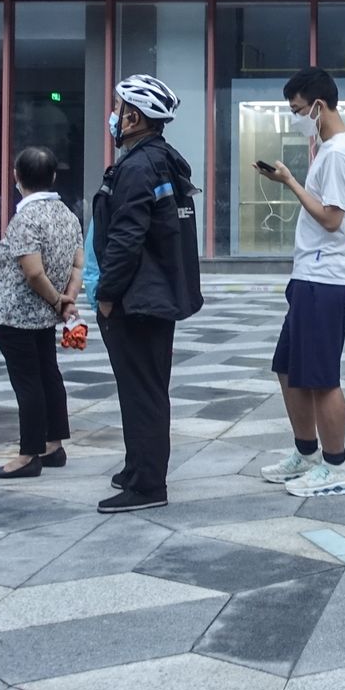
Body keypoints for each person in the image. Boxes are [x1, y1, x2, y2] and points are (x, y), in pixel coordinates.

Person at [255, 66, 345, 498]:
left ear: (318, 106)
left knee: (321, 377)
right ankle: (306, 454)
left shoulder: (338, 153)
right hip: (311, 274)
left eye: (299, 110)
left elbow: (332, 218)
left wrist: (290, 183)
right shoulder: (329, 147)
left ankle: (337, 466)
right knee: (288, 369)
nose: (296, 117)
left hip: (327, 275)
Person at [93, 75, 203, 513]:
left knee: (142, 391)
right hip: (158, 295)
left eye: (120, 108)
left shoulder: (138, 166)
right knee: (147, 387)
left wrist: (106, 294)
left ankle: (147, 485)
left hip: (137, 300)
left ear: (134, 117)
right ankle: (138, 465)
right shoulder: (162, 160)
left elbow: (125, 238)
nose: (115, 116)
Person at [0, 146, 84, 481]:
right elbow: (77, 264)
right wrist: (67, 299)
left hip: (16, 316)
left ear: (17, 176)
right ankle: (53, 444)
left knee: (28, 384)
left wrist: (58, 300)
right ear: (54, 176)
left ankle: (28, 454)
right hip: (46, 316)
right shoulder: (68, 215)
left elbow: (32, 272)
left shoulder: (25, 219)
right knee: (48, 377)